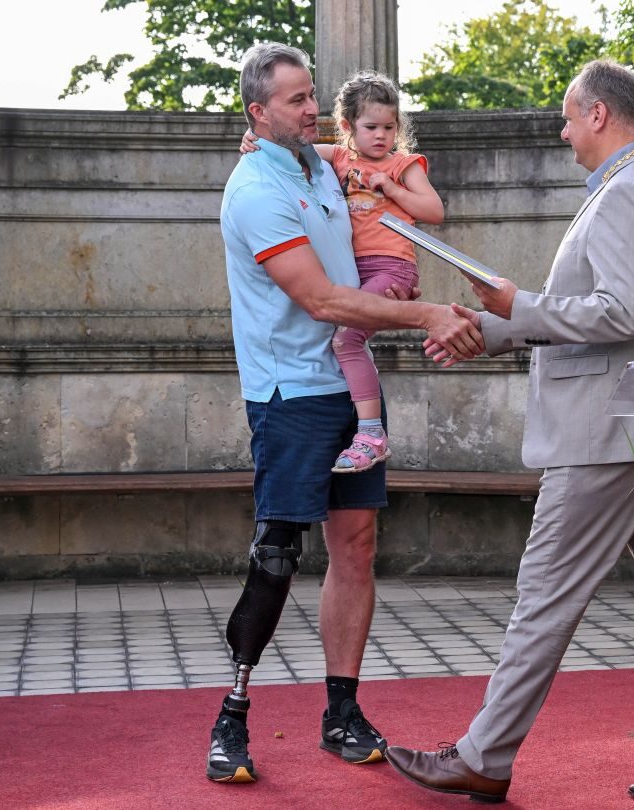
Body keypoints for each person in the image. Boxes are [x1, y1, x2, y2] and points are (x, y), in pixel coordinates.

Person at [384, 59, 634, 804]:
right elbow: (605, 315)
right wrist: (493, 326)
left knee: (545, 595)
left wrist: (517, 304)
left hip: (608, 435)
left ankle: (485, 755)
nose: (563, 133)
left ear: (600, 114)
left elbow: (619, 313)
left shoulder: (628, 194)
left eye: (569, 117)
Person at [207, 41, 483, 785]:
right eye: (295, 101)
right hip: (289, 395)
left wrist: (324, 141)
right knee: (277, 557)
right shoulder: (256, 190)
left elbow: (353, 150)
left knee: (356, 546)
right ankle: (231, 717)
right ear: (257, 113)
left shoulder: (319, 163)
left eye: (311, 96)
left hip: (344, 389)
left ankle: (340, 711)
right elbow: (323, 300)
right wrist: (428, 312)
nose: (310, 109)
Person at [241, 71, 442, 474]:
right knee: (349, 342)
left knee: (346, 341)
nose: (381, 136)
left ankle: (371, 434)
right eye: (371, 127)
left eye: (389, 127)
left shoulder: (404, 164)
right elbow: (290, 149)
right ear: (348, 126)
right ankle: (366, 427)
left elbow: (434, 211)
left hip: (391, 267)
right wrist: (252, 141)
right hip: (360, 273)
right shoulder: (339, 157)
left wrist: (392, 188)